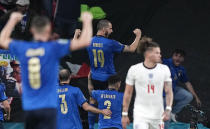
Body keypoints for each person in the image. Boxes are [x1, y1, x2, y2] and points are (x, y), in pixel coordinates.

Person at [0, 11, 93, 129]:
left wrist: (12, 20)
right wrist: (87, 21)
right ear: (49, 29)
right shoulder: (53, 47)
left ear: (32, 30)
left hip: (30, 107)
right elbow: (85, 41)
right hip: (48, 107)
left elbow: (2, 40)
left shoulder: (23, 48)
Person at [87, 19, 141, 129]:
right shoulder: (111, 43)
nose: (112, 31)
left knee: (92, 100)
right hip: (108, 79)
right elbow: (131, 48)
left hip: (95, 77)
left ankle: (91, 126)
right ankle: (112, 126)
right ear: (104, 29)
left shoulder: (88, 41)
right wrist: (138, 36)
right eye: (110, 28)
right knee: (112, 103)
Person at [122, 38, 173, 129]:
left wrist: (168, 109)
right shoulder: (134, 69)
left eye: (159, 53)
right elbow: (128, 93)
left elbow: (169, 91)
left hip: (158, 115)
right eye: (157, 53)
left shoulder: (164, 69)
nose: (160, 55)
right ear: (148, 54)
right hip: (140, 115)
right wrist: (124, 114)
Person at [162, 49, 201, 128]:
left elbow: (187, 83)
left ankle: (173, 113)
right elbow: (157, 59)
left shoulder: (181, 69)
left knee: (188, 96)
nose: (178, 58)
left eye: (180, 57)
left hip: (172, 90)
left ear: (183, 59)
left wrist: (196, 97)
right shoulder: (165, 63)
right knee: (165, 118)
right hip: (161, 94)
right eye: (176, 55)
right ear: (172, 56)